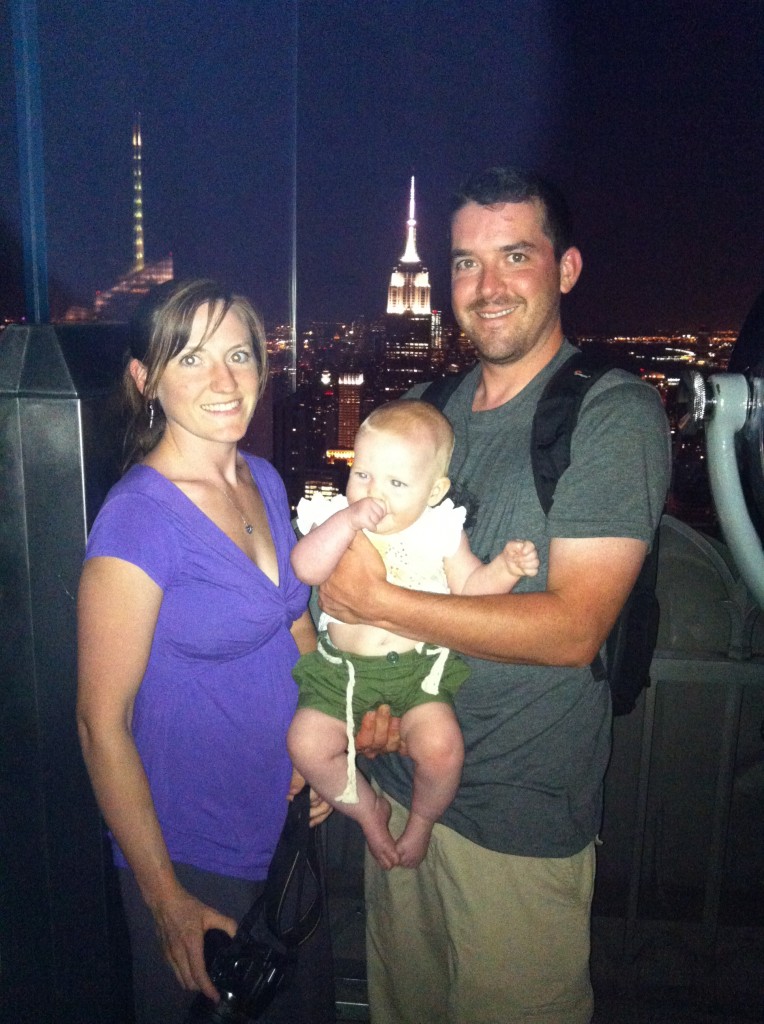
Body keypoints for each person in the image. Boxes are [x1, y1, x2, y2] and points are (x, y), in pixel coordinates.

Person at [320, 167, 672, 1024]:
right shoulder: (421, 412)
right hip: (400, 792)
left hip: (519, 821)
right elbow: (350, 576)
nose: (488, 286)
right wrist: (366, 699)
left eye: (516, 255)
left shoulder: (609, 414)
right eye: (467, 264)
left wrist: (378, 606)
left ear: (567, 269)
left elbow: (571, 630)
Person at [76, 279, 335, 1024]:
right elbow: (102, 724)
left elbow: (296, 628)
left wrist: (321, 744)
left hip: (283, 831)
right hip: (192, 854)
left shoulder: (262, 477)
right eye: (191, 359)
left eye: (240, 355)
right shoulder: (139, 520)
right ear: (145, 379)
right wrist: (165, 902)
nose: (224, 381)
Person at [287, 400, 539, 870]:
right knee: (305, 743)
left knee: (443, 749)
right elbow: (305, 566)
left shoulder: (440, 529)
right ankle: (368, 811)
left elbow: (470, 592)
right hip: (338, 674)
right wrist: (344, 522)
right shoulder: (334, 516)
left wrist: (503, 570)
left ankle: (421, 821)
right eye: (362, 474)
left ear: (435, 489)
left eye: (397, 483)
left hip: (417, 674)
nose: (373, 493)